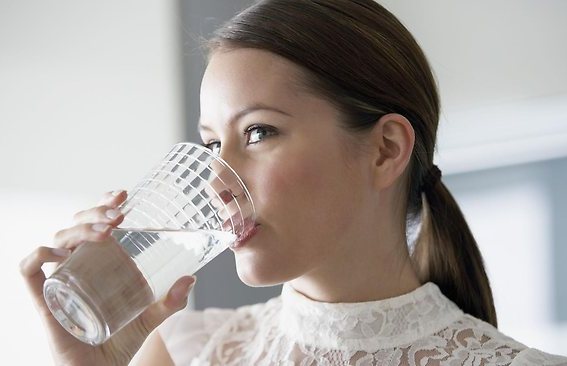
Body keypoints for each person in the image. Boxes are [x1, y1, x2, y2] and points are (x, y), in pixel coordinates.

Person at [20, 0, 567, 365]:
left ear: (386, 150)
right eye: (211, 145)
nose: (216, 182)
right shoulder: (187, 351)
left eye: (258, 132)